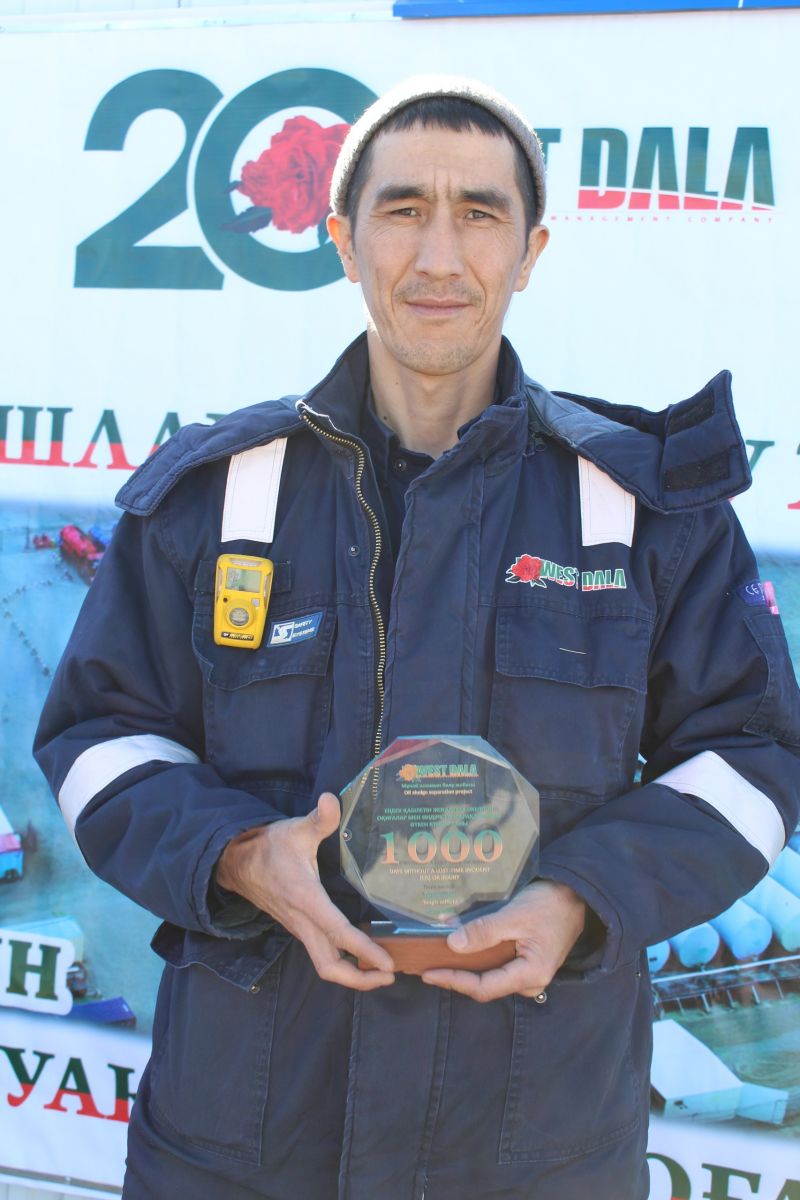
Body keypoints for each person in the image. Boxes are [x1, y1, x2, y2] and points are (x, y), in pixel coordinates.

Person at [35, 76, 800, 1200]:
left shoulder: (647, 514)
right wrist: (237, 854)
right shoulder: (213, 499)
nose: (439, 255)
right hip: (239, 1146)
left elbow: (751, 757)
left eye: (480, 214)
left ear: (530, 252)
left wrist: (580, 897)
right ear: (344, 240)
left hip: (537, 1150)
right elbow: (101, 738)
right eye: (402, 210)